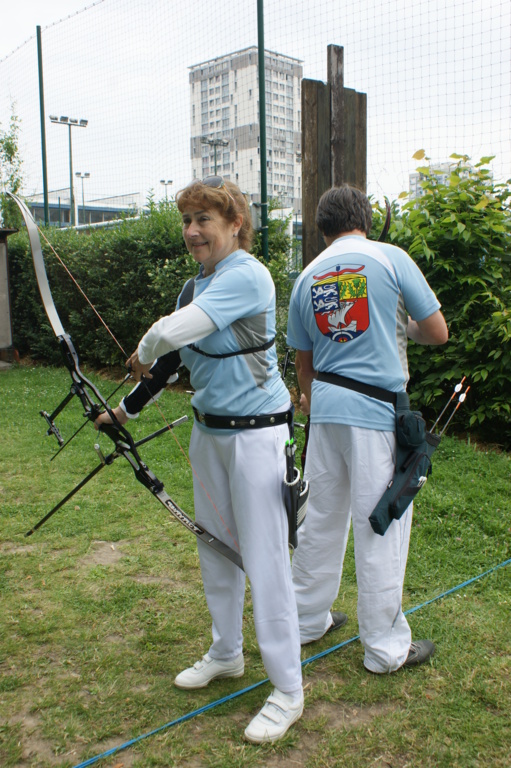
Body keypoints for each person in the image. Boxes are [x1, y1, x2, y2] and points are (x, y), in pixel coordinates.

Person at [96, 176, 303, 743]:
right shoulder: (196, 285)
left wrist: (146, 344)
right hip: (209, 433)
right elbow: (172, 363)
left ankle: (288, 689)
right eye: (186, 220)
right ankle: (226, 653)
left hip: (257, 436)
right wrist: (124, 412)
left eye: (203, 219)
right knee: (214, 547)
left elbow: (174, 335)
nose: (192, 231)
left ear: (235, 224)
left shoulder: (247, 275)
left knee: (265, 560)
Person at [286, 184, 448, 674]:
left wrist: (314, 403)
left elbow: (304, 367)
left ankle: (305, 621)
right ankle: (384, 650)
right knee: (382, 523)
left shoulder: (306, 277)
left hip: (325, 411)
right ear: (366, 219)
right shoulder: (391, 258)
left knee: (320, 519)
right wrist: (405, 327)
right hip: (376, 414)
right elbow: (436, 332)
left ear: (323, 228)